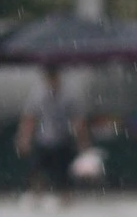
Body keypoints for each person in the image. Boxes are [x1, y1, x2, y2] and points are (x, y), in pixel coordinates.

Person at [15, 63, 89, 199]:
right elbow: (30, 118)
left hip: (62, 140)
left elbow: (78, 121)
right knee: (37, 172)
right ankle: (36, 196)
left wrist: (82, 142)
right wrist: (24, 139)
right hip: (43, 139)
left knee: (63, 175)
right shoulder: (38, 94)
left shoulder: (69, 95)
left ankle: (64, 198)